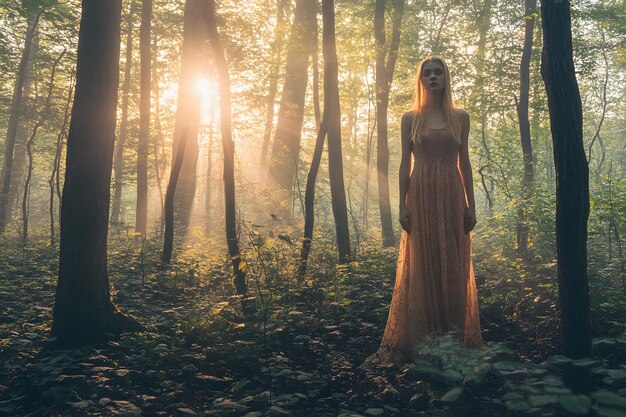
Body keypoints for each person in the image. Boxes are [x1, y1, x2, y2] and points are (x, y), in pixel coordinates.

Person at [376, 56, 482, 366]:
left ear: (447, 78)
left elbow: (465, 163)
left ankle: (451, 338)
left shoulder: (460, 117)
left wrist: (471, 204)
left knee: (452, 259)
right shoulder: (410, 118)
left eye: (438, 72)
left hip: (450, 193)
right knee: (422, 260)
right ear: (420, 80)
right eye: (427, 73)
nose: (433, 77)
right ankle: (424, 341)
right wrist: (402, 204)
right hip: (420, 193)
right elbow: (403, 164)